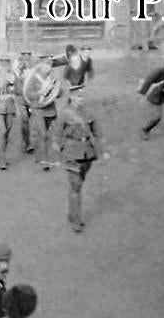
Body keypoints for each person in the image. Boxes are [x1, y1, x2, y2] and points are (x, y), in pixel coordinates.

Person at [54, 92, 101, 232]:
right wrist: (58, 146)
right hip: (71, 153)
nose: (81, 99)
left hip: (87, 153)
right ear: (72, 98)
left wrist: (101, 147)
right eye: (78, 97)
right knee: (76, 185)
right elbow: (57, 132)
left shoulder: (88, 113)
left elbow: (96, 131)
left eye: (83, 97)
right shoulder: (65, 114)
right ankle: (76, 220)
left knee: (79, 183)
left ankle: (71, 212)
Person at [139, 58, 164, 140]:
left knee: (157, 116)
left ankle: (146, 129)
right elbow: (148, 81)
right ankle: (144, 130)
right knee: (157, 117)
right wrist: (143, 94)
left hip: (160, 96)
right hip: (153, 95)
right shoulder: (159, 71)